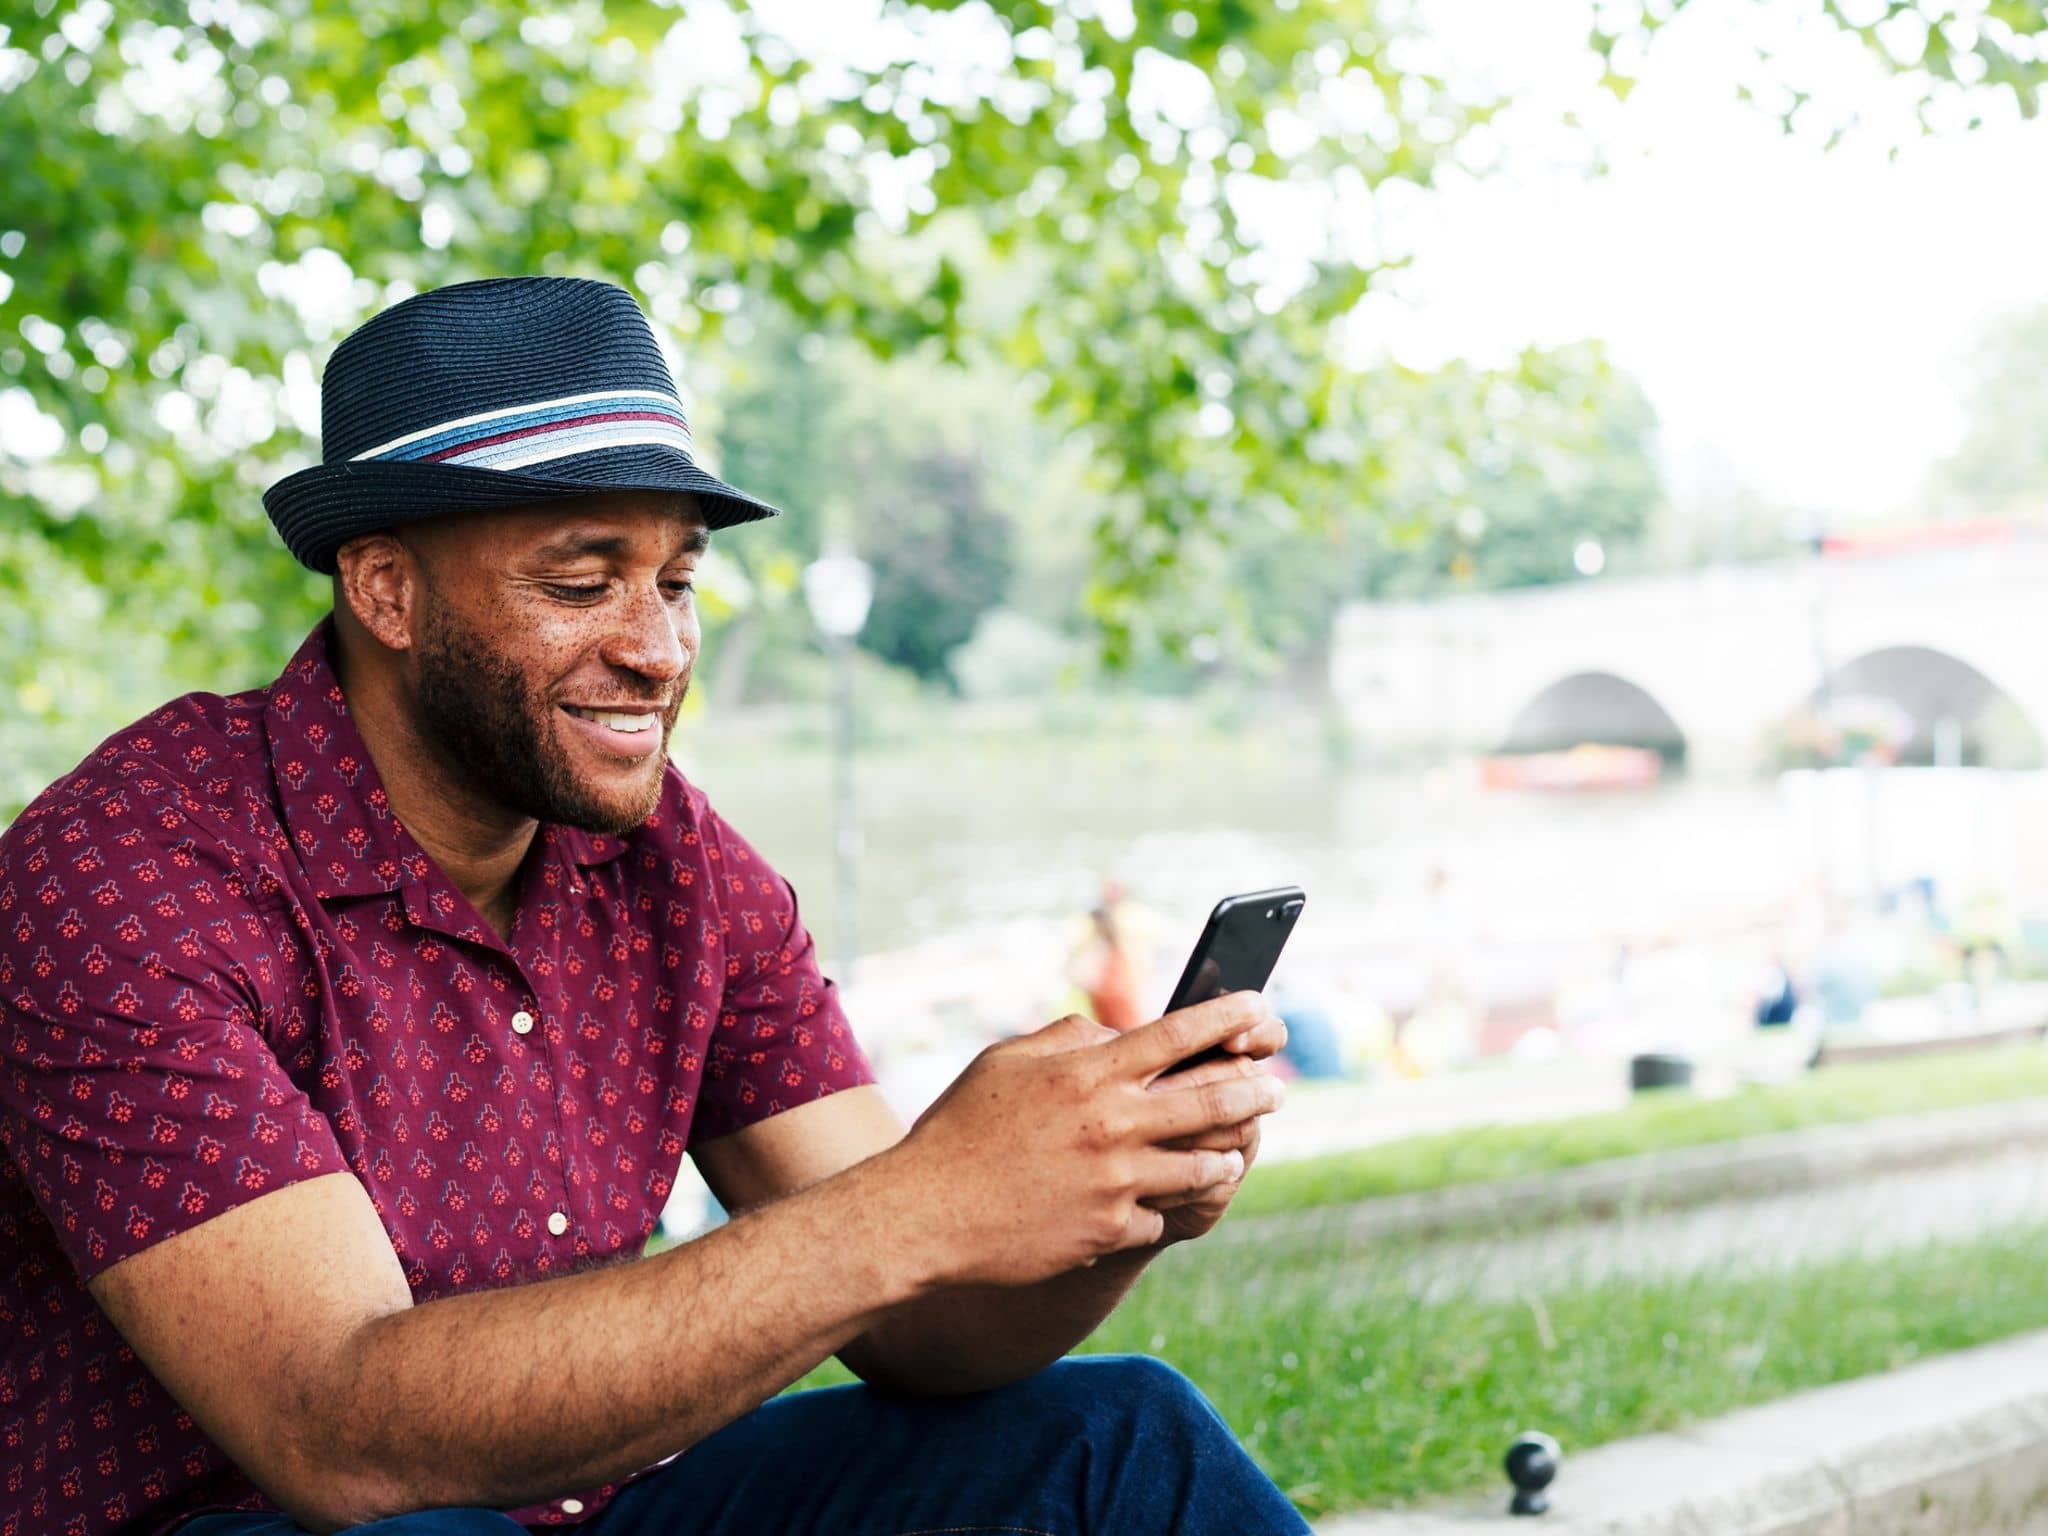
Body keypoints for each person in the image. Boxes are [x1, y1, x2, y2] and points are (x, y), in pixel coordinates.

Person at [0, 278, 1306, 1536]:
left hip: (596, 1505)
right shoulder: (123, 883)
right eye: (582, 585)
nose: (660, 648)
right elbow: (339, 1436)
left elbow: (922, 1326)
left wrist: (1116, 1198)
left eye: (676, 582)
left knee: (1122, 1434)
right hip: (240, 1520)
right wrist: (919, 1203)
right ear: (386, 589)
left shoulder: (675, 864)